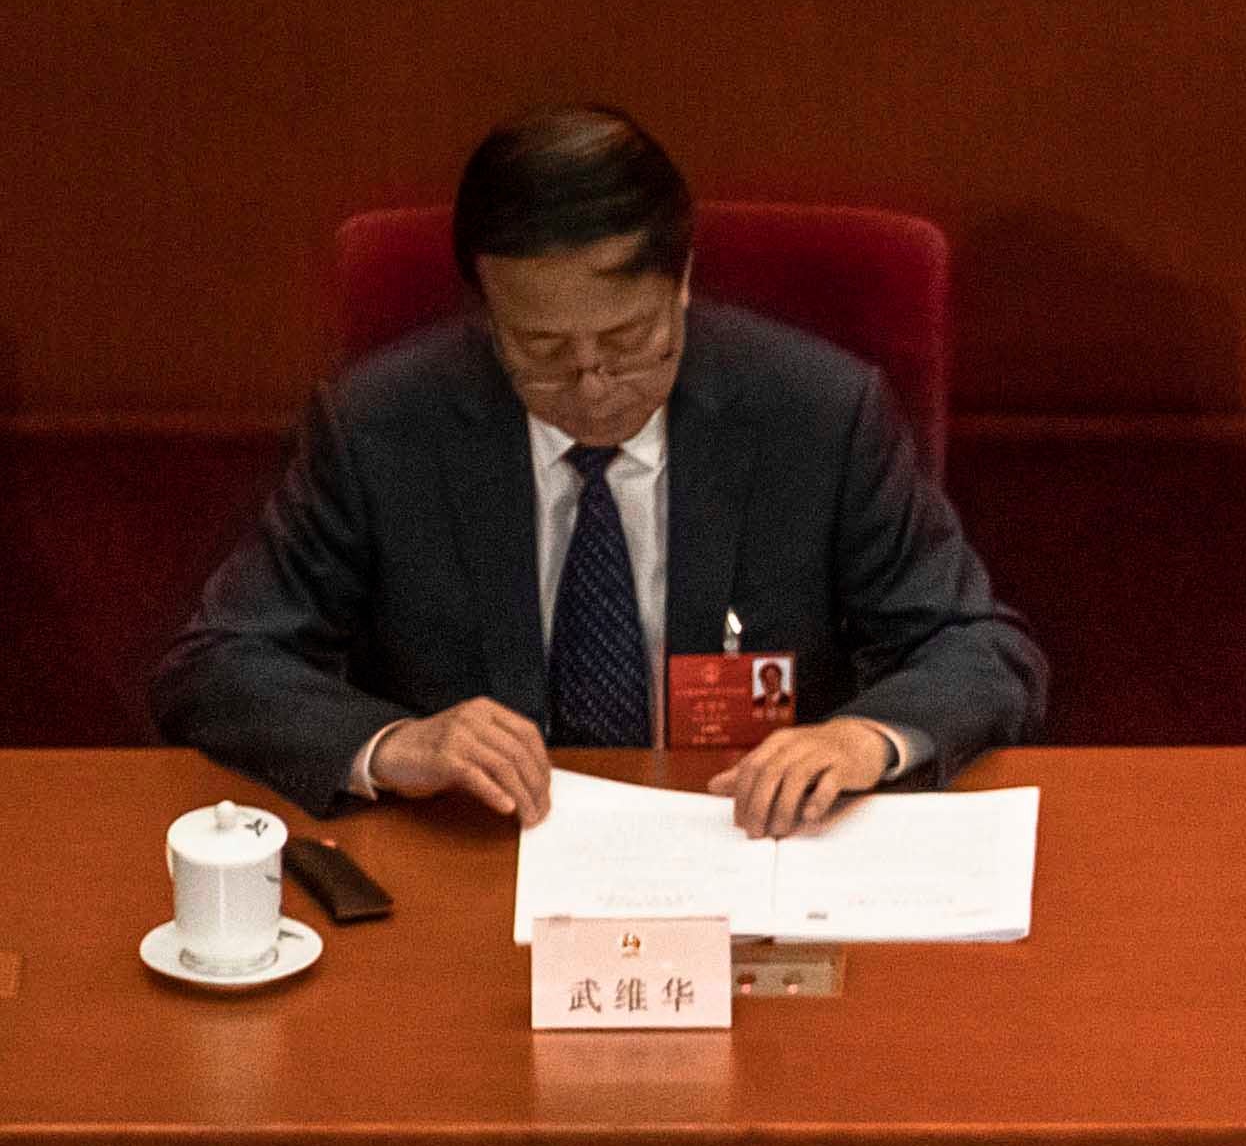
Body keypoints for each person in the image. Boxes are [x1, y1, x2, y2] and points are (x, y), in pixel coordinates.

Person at [154, 106, 1043, 827]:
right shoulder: (382, 426)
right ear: (485, 311)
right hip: (481, 862)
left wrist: (862, 739)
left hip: (739, 844)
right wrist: (395, 745)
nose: (589, 382)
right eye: (539, 347)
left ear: (683, 281)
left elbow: (979, 645)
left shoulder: (817, 414)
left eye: (627, 338)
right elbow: (219, 661)